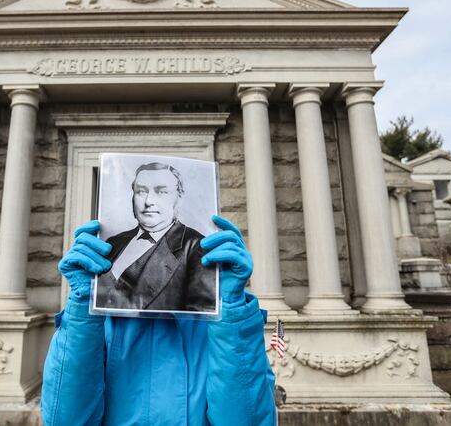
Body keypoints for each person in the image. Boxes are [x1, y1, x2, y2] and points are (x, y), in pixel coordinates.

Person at [41, 215, 277, 426]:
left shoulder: (221, 319)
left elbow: (248, 420)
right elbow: (65, 420)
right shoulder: (101, 310)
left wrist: (231, 308)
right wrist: (82, 304)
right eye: (142, 192)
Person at [95, 162, 215, 312]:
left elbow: (201, 321)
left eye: (161, 192)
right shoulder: (114, 242)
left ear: (179, 198)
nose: (148, 201)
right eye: (141, 191)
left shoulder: (197, 247)